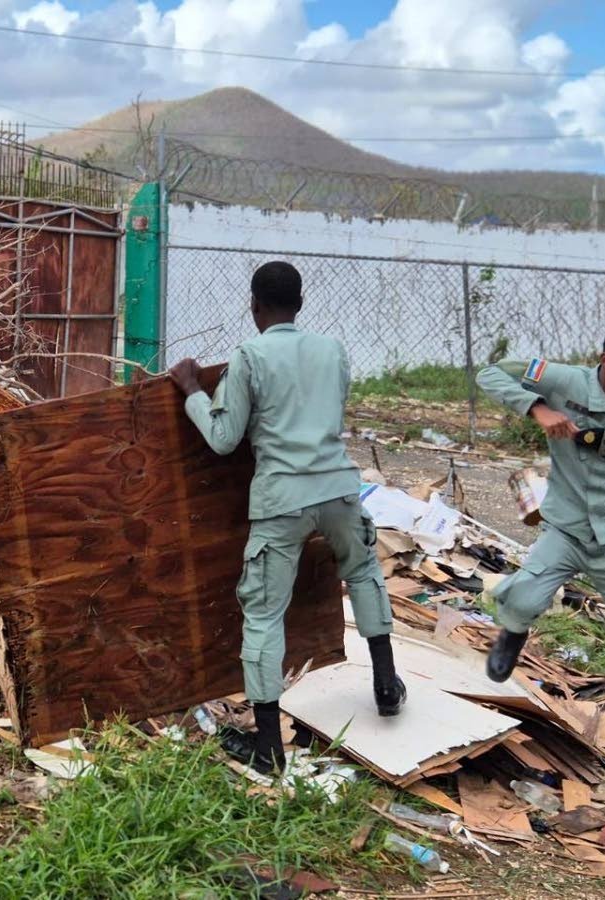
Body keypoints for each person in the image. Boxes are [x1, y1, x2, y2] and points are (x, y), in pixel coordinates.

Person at [168, 260, 405, 774]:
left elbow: (224, 439)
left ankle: (269, 744)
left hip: (282, 500)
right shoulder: (334, 351)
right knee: (363, 575)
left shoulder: (249, 355)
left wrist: (192, 392)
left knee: (264, 612)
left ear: (254, 305)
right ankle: (387, 685)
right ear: (300, 303)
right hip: (340, 488)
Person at [477, 325, 605, 681]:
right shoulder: (563, 380)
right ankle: (512, 634)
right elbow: (490, 372)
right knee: (523, 601)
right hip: (565, 528)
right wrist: (538, 408)